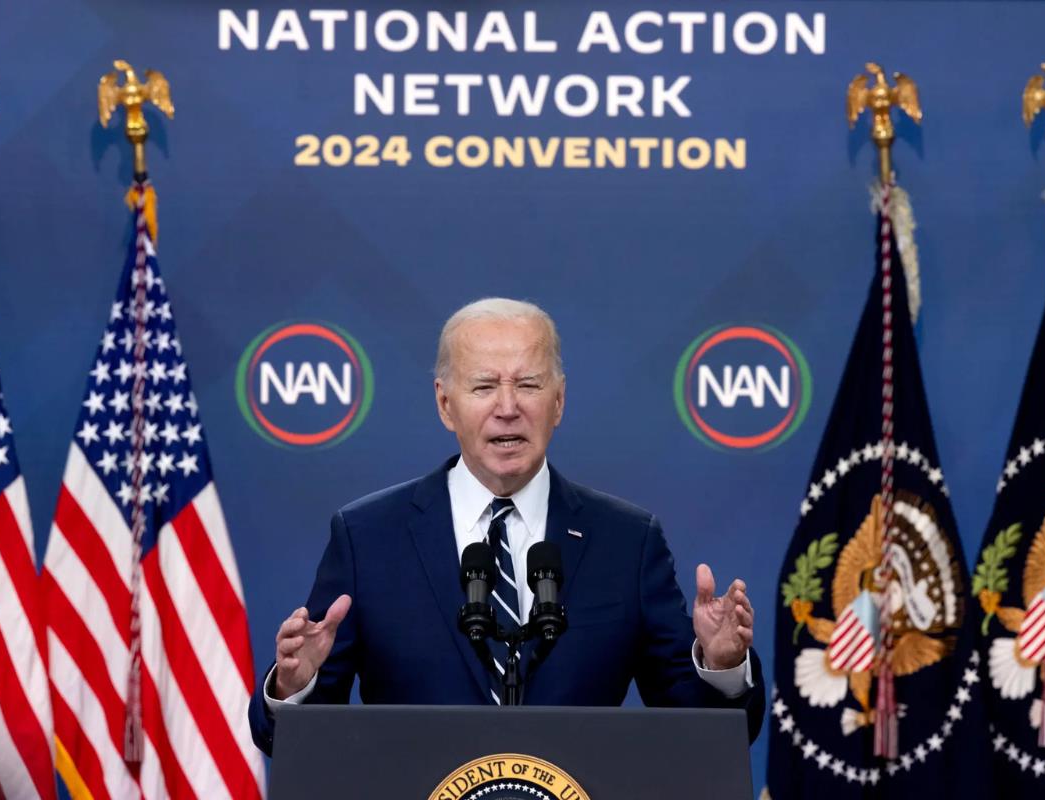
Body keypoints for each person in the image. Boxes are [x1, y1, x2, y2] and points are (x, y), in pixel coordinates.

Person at [248, 298, 764, 755]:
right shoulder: (367, 538)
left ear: (558, 401)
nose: (508, 408)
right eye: (484, 386)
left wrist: (720, 668)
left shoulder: (626, 542)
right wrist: (297, 686)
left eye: (528, 385)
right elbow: (294, 742)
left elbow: (703, 735)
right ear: (445, 404)